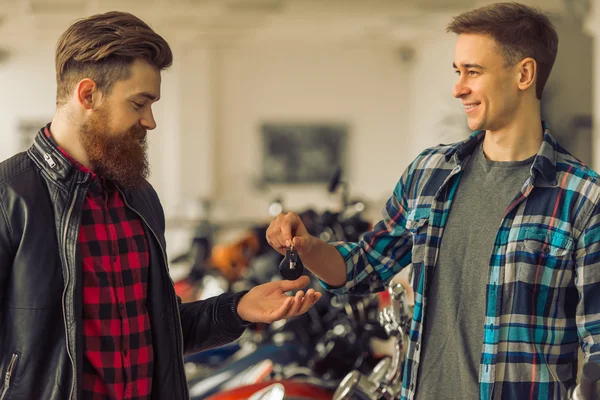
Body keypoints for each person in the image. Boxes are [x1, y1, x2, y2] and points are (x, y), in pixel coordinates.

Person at [267, 2, 600, 399]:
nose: (458, 88)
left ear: (524, 74)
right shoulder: (430, 173)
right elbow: (363, 267)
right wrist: (309, 247)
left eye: (473, 72)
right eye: (458, 72)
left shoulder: (581, 197)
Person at [0, 11, 321, 400]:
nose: (150, 121)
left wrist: (238, 309)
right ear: (87, 95)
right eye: (139, 103)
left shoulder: (138, 198)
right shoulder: (9, 197)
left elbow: (161, 332)